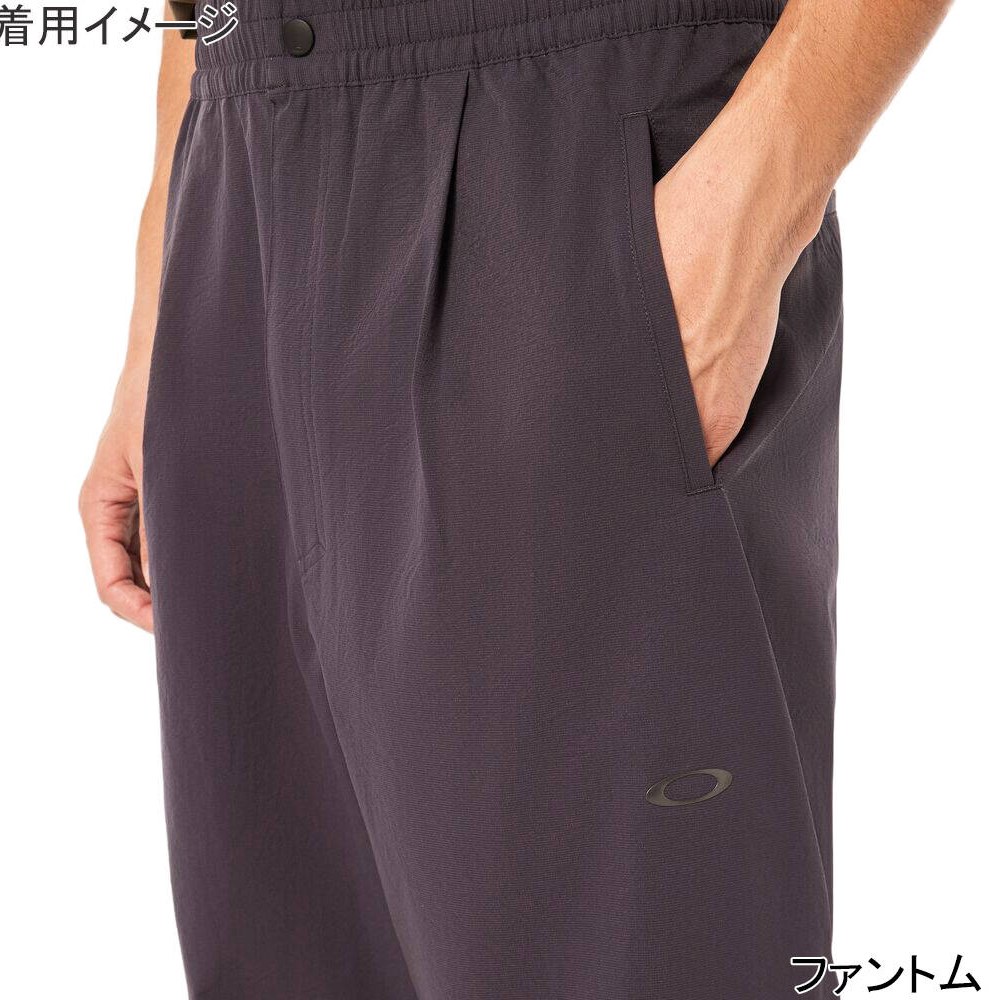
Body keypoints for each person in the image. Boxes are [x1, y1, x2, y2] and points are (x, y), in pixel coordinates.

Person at [80, 1, 953, 996]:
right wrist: (159, 313)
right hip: (238, 154)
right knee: (290, 957)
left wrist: (749, 216)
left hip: (560, 135)